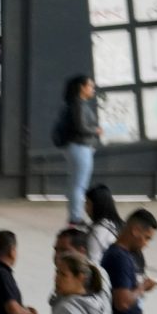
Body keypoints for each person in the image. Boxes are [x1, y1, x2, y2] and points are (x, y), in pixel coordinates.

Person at [54, 75, 100, 224]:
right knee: (79, 184)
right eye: (90, 86)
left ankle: (74, 215)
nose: (92, 89)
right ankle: (75, 217)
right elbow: (80, 127)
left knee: (76, 183)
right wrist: (95, 130)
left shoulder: (74, 104)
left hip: (77, 147)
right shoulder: (78, 104)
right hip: (80, 146)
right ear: (82, 87)